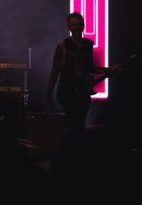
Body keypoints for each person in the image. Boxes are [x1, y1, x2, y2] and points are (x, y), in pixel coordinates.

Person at [46, 11, 120, 141]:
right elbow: (55, 70)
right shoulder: (62, 46)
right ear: (69, 27)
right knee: (74, 124)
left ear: (84, 25)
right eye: (74, 24)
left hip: (82, 92)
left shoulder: (88, 44)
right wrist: (49, 93)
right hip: (67, 91)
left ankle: (74, 148)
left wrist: (109, 69)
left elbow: (90, 68)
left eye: (79, 24)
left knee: (79, 124)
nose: (77, 27)